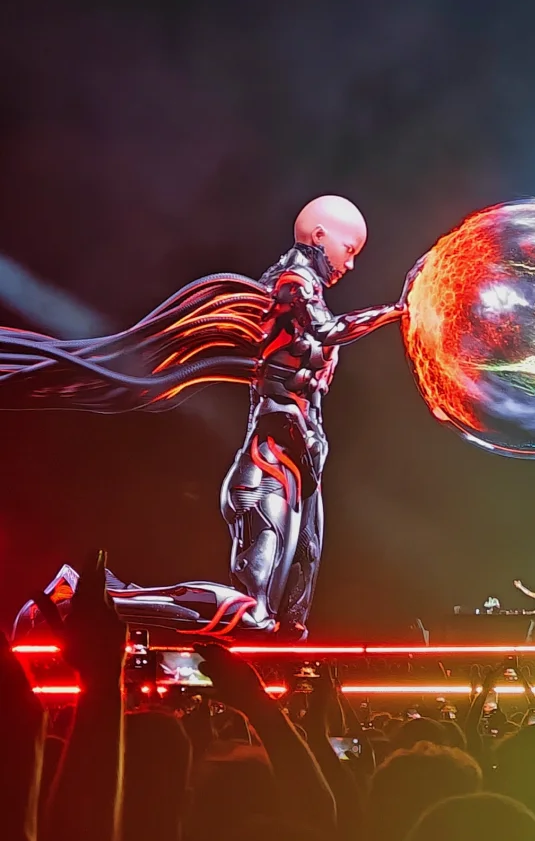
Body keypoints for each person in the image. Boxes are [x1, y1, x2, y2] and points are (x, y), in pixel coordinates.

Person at [9, 195, 414, 640]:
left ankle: (99, 598)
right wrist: (396, 311)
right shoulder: (293, 284)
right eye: (349, 250)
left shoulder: (298, 293)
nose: (350, 265)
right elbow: (325, 331)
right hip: (271, 465)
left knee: (290, 623)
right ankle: (86, 596)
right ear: (320, 237)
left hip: (302, 467)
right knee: (253, 615)